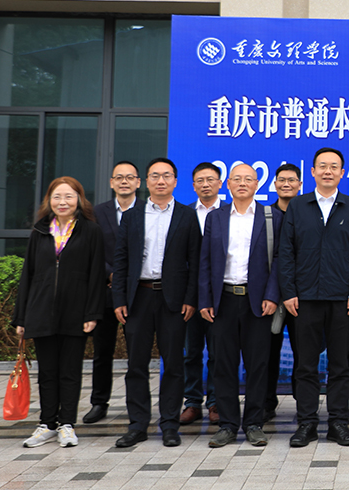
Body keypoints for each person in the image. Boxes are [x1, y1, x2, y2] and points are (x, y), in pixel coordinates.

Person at [278, 147, 349, 447]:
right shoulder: (298, 205)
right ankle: (306, 423)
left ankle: (338, 423)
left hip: (342, 299)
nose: (328, 171)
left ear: (342, 173)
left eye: (334, 167)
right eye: (322, 166)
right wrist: (289, 292)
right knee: (305, 364)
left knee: (340, 364)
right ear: (313, 171)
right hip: (304, 299)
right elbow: (286, 252)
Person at [112, 157, 201, 448]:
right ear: (146, 181)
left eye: (166, 176)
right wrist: (119, 299)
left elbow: (195, 262)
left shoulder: (187, 216)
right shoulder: (132, 216)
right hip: (138, 297)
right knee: (136, 364)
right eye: (155, 176)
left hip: (172, 300)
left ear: (175, 181)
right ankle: (137, 425)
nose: (161, 181)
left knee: (173, 364)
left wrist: (190, 299)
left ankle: (170, 425)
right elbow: (121, 260)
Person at [13, 176, 105, 448]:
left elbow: (96, 276)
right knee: (47, 372)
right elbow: (28, 276)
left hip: (75, 312)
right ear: (49, 201)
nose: (62, 202)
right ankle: (47, 424)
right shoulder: (39, 232)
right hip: (41, 312)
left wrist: (92, 313)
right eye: (57, 197)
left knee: (70, 372)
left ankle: (67, 424)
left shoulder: (91, 231)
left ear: (79, 200)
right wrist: (21, 317)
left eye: (69, 196)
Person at [199, 164, 280, 448]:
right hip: (223, 300)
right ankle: (228, 424)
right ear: (228, 184)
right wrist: (205, 299)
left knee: (258, 365)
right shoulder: (216, 217)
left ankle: (254, 423)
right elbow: (205, 260)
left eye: (248, 179)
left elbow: (280, 259)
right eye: (237, 179)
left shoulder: (271, 217)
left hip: (258, 302)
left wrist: (272, 295)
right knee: (223, 364)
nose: (242, 183)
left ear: (257, 184)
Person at [84, 161, 144, 425]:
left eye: (129, 177)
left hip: (138, 294)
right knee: (102, 351)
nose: (124, 182)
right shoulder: (97, 213)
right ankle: (99, 402)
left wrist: (128, 279)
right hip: (106, 291)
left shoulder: (148, 210)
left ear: (138, 182)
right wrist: (113, 276)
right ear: (111, 182)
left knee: (137, 354)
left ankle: (137, 405)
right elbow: (92, 251)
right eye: (119, 177)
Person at [181, 162, 222, 427]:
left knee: (218, 352)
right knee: (191, 352)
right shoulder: (184, 214)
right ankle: (192, 402)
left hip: (220, 296)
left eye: (210, 180)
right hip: (190, 295)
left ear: (220, 183)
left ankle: (216, 402)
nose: (205, 184)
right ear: (193, 185)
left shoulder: (230, 212)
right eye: (200, 180)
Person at [265, 163, 302, 421]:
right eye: (281, 180)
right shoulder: (265, 215)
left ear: (300, 184)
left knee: (303, 354)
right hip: (271, 295)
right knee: (268, 352)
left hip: (302, 296)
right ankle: (266, 403)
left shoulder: (306, 213)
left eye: (291, 180)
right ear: (275, 184)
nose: (286, 184)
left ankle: (304, 405)